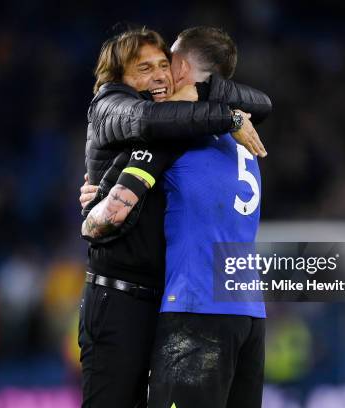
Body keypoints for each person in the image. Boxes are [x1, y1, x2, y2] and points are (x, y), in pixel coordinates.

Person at [79, 27, 271, 408]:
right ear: (120, 78)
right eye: (144, 68)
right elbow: (146, 122)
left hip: (185, 302)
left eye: (164, 65)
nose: (160, 75)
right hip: (130, 298)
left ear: (180, 68)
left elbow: (110, 211)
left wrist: (98, 203)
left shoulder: (189, 128)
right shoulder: (116, 106)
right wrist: (230, 117)